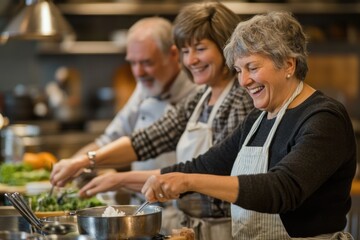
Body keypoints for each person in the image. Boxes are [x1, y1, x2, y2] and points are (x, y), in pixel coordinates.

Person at [140, 11, 357, 239]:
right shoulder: (258, 119)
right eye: (238, 70)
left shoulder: (324, 118)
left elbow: (282, 189)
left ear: (288, 64)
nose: (243, 81)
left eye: (252, 68)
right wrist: (125, 180)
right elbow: (205, 166)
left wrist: (186, 181)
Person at [50, 2, 254, 239]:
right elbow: (149, 139)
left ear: (225, 46)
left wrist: (120, 179)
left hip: (225, 229)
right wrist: (86, 161)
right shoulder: (201, 96)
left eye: (199, 49)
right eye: (186, 51)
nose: (191, 60)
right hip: (193, 226)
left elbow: (207, 171)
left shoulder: (239, 99)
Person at [53, 17, 197, 189]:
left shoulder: (196, 92)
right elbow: (111, 139)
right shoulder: (146, 86)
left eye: (147, 62)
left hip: (177, 202)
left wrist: (116, 178)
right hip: (141, 198)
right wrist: (73, 164)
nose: (138, 72)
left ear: (173, 54)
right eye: (132, 63)